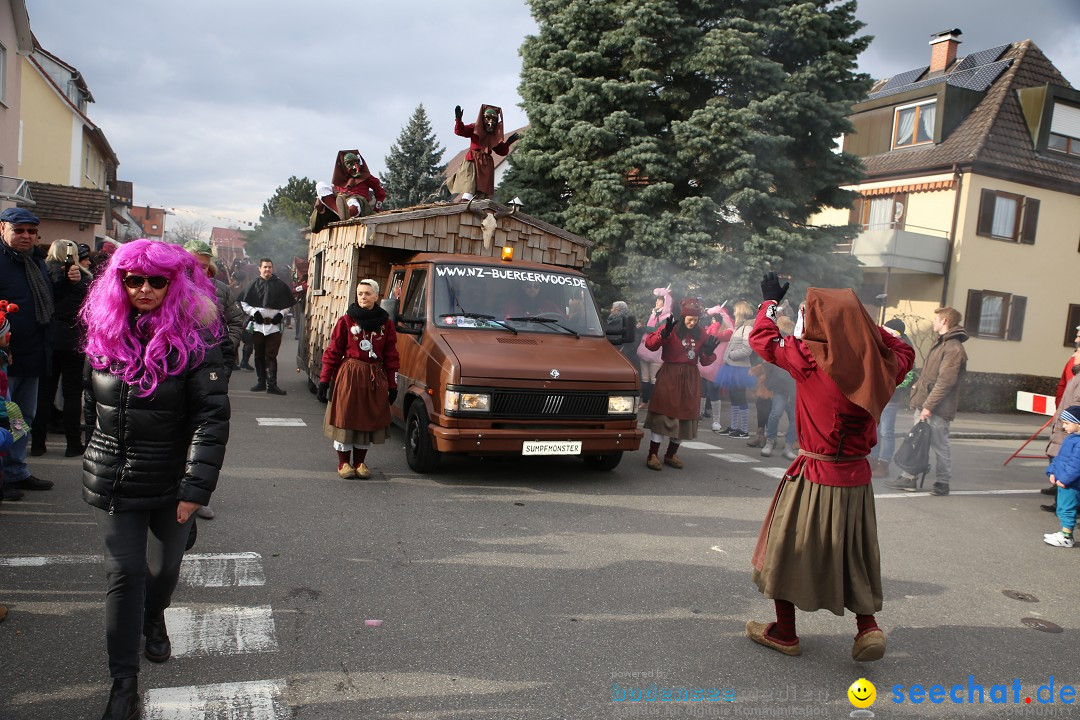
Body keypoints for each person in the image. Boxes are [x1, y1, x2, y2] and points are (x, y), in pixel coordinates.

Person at [80, 239, 229, 720]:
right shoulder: (104, 330)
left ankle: (154, 615)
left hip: (170, 480)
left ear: (174, 282)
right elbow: (91, 402)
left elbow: (211, 419)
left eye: (156, 280)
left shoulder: (197, 339)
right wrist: (95, 452)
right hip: (115, 479)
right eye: (133, 279)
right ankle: (123, 683)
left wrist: (194, 490)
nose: (144, 289)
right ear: (119, 282)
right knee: (124, 574)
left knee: (162, 573)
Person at [747, 273, 915, 662]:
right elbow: (903, 347)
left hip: (814, 473)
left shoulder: (809, 358)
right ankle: (867, 627)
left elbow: (761, 339)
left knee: (787, 549)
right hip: (856, 477)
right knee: (854, 552)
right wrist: (860, 324)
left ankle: (785, 632)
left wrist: (769, 302)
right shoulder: (884, 363)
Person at [0, 208, 82, 499]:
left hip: (33, 354)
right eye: (18, 230)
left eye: (31, 232)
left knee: (24, 417)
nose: (26, 236)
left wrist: (67, 284)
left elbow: (48, 303)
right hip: (5, 359)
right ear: (3, 230)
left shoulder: (35, 262)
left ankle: (16, 471)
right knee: (4, 420)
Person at [317, 279, 399, 479]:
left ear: (376, 296)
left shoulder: (386, 324)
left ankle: (360, 462)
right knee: (346, 418)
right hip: (349, 375)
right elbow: (333, 351)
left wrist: (392, 384)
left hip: (373, 376)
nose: (363, 297)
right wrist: (324, 380)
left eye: (367, 293)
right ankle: (343, 463)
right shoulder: (346, 321)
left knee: (367, 419)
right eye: (360, 293)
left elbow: (391, 355)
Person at [886, 307, 967, 496]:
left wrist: (928, 406)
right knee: (917, 442)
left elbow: (945, 382)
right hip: (927, 404)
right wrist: (918, 387)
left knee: (939, 445)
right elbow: (932, 376)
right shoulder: (943, 344)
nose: (934, 322)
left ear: (945, 321)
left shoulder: (953, 348)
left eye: (937, 319)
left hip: (937, 407)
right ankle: (909, 478)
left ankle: (942, 482)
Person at [641, 297, 719, 470]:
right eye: (689, 319)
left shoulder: (701, 333)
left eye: (695, 320)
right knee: (663, 413)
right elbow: (650, 345)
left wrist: (708, 352)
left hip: (691, 378)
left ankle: (670, 454)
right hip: (670, 374)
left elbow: (705, 362)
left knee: (685, 415)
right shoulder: (672, 328)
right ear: (683, 317)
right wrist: (663, 335)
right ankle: (652, 454)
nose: (692, 323)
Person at [31, 239, 91, 457]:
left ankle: (38, 443)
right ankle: (73, 444)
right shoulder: (84, 279)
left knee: (44, 392)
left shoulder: (42, 273)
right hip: (73, 337)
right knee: (72, 393)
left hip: (48, 335)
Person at [186, 240, 244, 377]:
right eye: (192, 265)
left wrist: (224, 350)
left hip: (212, 367)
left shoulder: (221, 290)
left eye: (203, 266)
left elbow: (236, 321)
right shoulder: (167, 288)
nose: (198, 271)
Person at [238, 258, 295, 395]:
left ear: (272, 268)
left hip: (274, 326)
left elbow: (288, 304)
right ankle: (261, 382)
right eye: (265, 267)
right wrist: (254, 312)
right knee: (259, 355)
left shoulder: (280, 285)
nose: (267, 269)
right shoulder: (253, 284)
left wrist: (281, 314)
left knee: (271, 355)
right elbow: (244, 302)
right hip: (258, 326)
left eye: (269, 267)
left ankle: (272, 384)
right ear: (260, 268)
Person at [869, 318, 914, 478]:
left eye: (887, 330)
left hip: (891, 397)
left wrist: (891, 385)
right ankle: (873, 460)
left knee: (887, 431)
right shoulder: (884, 343)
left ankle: (884, 463)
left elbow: (908, 376)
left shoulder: (903, 348)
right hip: (878, 395)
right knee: (874, 429)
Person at [447, 104, 520, 199]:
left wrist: (508, 143)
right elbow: (460, 131)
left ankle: (478, 207)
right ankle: (464, 201)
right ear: (483, 118)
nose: (491, 123)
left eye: (494, 120)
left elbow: (501, 151)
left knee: (481, 193)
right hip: (473, 161)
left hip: (485, 165)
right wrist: (458, 119)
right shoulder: (475, 128)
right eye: (488, 119)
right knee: (469, 186)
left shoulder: (494, 136)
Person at [1044, 325, 1080, 510]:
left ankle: (1067, 510)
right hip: (1066, 419)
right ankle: (1061, 500)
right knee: (1060, 458)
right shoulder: (1073, 365)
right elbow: (1063, 385)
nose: (1076, 338)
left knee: (1071, 463)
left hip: (1072, 422)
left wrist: (1069, 419)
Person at [715, 300, 756, 438]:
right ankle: (734, 427)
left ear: (740, 311)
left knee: (740, 397)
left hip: (740, 369)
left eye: (735, 310)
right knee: (734, 397)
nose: (733, 313)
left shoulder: (747, 328)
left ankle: (743, 430)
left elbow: (747, 349)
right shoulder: (739, 327)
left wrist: (731, 355)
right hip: (732, 367)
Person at [760, 315, 798, 460]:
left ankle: (788, 445)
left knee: (794, 417)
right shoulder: (781, 341)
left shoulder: (797, 341)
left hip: (795, 387)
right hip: (781, 385)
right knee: (776, 412)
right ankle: (770, 441)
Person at [1043, 405, 1080, 547]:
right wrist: (1052, 471)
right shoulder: (1071, 438)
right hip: (1063, 481)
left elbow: (1075, 466)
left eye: (1067, 423)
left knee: (1067, 509)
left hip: (1070, 483)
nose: (1064, 427)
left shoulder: (1078, 442)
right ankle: (1064, 533)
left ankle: (1066, 536)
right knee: (1063, 508)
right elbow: (1059, 458)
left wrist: (1064, 479)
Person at [321, 151, 386, 223]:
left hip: (359, 203)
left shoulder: (365, 177)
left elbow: (381, 194)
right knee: (321, 185)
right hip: (340, 203)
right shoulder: (338, 180)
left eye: (357, 163)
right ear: (343, 165)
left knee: (353, 201)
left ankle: (348, 213)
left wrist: (376, 209)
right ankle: (338, 213)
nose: (355, 166)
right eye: (350, 163)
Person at [637, 288, 672, 410]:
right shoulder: (653, 313)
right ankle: (645, 401)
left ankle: (655, 402)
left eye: (659, 300)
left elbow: (659, 330)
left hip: (657, 351)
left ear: (665, 302)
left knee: (654, 379)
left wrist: (645, 328)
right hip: (645, 349)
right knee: (645, 378)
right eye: (656, 300)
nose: (656, 302)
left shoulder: (667, 317)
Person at [606, 301, 637, 368]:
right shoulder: (611, 319)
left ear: (617, 310)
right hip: (609, 348)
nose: (611, 310)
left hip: (621, 351)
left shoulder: (625, 321)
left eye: (612, 308)